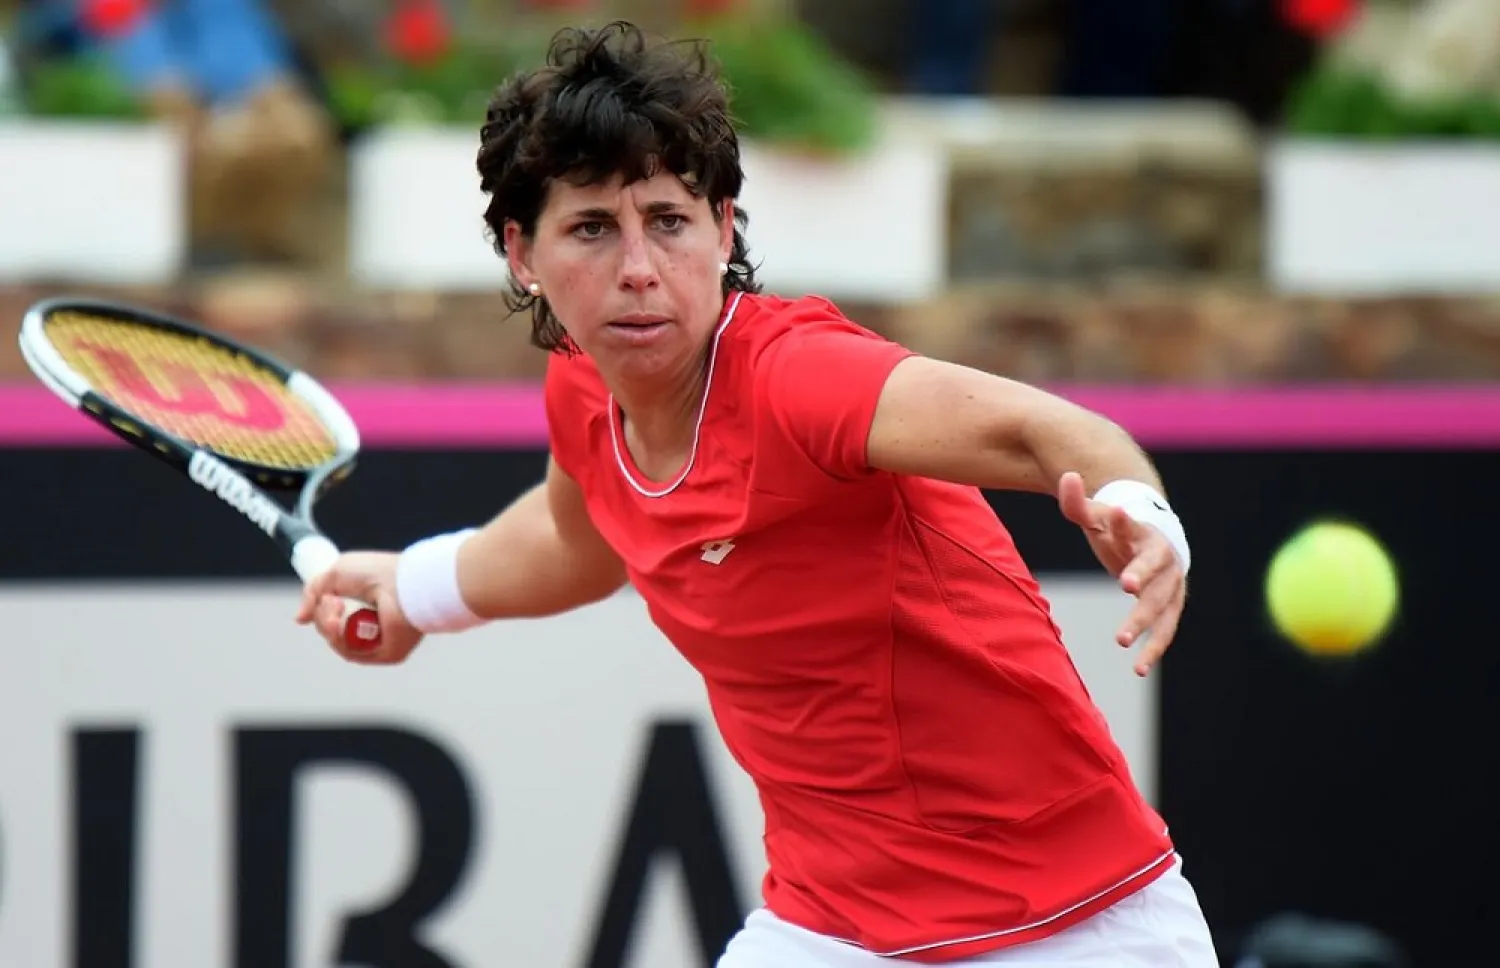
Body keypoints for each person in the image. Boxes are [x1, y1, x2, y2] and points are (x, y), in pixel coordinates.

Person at [296, 20, 1218, 968]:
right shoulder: (584, 386)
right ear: (522, 253)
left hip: (1071, 920)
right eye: (592, 228)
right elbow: (578, 540)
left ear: (723, 227)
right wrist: (415, 590)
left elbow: (1041, 430)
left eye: (668, 220)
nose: (639, 269)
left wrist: (1139, 509)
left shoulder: (799, 378)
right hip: (832, 925)